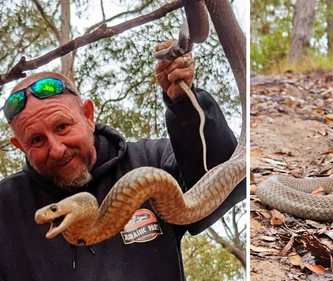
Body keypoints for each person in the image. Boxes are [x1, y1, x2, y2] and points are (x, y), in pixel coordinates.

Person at [0, 39, 246, 280]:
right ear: (20, 146)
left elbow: (227, 179)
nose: (56, 149)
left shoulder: (151, 161)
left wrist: (184, 103)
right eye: (36, 140)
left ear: (88, 115)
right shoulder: (6, 206)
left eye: (63, 126)